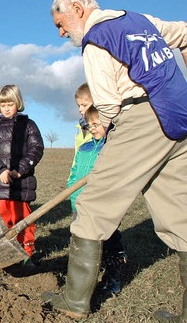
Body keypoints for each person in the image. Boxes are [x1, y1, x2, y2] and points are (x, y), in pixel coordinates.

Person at [43, 0, 187, 320]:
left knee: (93, 206)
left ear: (77, 8)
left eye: (60, 23)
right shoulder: (140, 20)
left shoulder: (96, 41)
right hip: (179, 119)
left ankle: (75, 301)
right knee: (180, 213)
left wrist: (104, 127)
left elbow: (107, 105)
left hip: (142, 119)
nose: (62, 32)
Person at [66, 106, 127, 295]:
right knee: (81, 241)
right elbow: (76, 171)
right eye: (89, 124)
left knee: (107, 242)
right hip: (80, 201)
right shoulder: (85, 147)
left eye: (96, 124)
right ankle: (82, 281)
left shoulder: (112, 148)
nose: (92, 128)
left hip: (102, 204)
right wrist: (71, 188)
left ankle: (112, 279)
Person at [0, 85, 44, 266]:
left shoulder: (29, 125)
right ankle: (2, 253)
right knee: (1, 220)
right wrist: (0, 170)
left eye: (10, 104)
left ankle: (26, 254)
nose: (7, 108)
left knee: (23, 220)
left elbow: (36, 149)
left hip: (21, 184)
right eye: (3, 105)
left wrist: (20, 169)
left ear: (18, 103)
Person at [73, 83, 93, 154]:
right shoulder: (81, 128)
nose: (80, 109)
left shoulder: (102, 129)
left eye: (84, 105)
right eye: (79, 105)